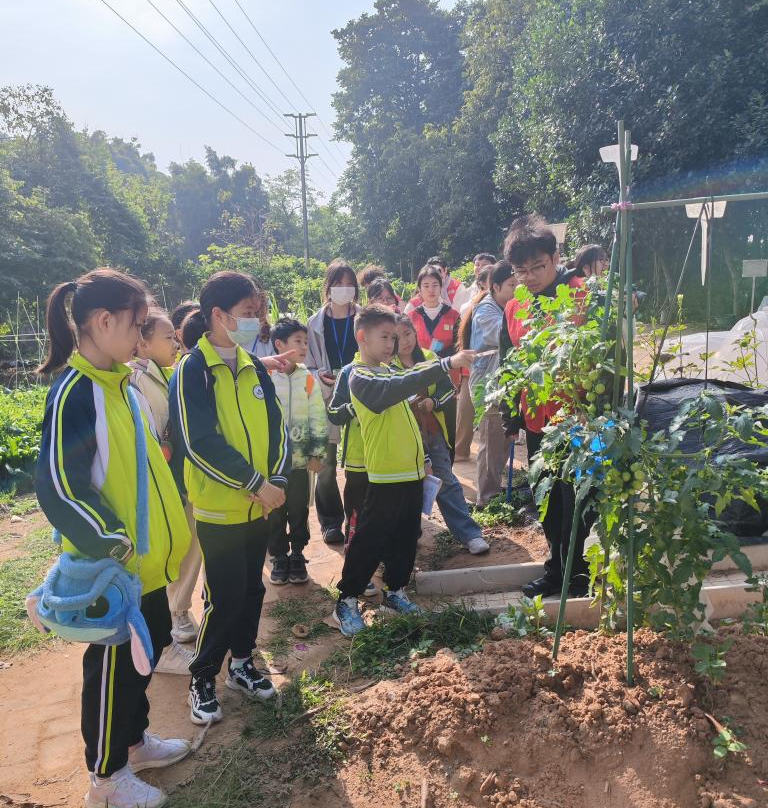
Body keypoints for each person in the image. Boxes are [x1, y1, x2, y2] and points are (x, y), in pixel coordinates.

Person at [35, 268, 191, 808]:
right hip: (113, 570)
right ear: (104, 322)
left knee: (141, 664)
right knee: (109, 672)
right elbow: (59, 485)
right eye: (138, 323)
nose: (143, 332)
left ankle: (132, 742)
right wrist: (113, 541)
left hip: (145, 566)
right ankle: (105, 779)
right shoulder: (75, 393)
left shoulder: (122, 386)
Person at [170, 271, 290, 725]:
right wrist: (254, 483)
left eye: (258, 313)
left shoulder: (253, 365)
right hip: (221, 508)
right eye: (247, 313)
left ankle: (242, 664)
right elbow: (198, 441)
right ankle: (202, 676)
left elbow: (277, 427)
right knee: (224, 595)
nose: (256, 321)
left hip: (260, 503)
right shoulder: (192, 370)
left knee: (252, 588)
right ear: (217, 315)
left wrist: (274, 478)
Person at [331, 305, 477, 636]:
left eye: (394, 338)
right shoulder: (360, 376)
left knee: (406, 537)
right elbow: (392, 392)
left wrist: (424, 457)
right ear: (361, 337)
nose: (390, 345)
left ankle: (396, 591)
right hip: (383, 475)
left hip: (411, 473)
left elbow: (410, 420)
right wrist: (444, 364)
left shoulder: (389, 372)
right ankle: (347, 599)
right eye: (384, 337)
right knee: (370, 538)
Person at [500, 215, 594, 599]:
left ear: (557, 257)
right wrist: (511, 416)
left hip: (579, 421)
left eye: (538, 267)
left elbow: (605, 360)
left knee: (580, 499)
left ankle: (584, 572)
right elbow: (512, 367)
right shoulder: (514, 308)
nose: (531, 277)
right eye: (521, 271)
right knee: (548, 499)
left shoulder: (582, 295)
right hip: (538, 422)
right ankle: (557, 569)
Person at [129, 308, 202, 674]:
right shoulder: (136, 380)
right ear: (142, 343)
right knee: (170, 548)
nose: (175, 343)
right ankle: (172, 622)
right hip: (160, 482)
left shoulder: (168, 373)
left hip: (178, 476)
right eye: (167, 338)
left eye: (175, 338)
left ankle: (179, 611)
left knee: (188, 543)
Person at [394, 316, 489, 555]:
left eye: (407, 334)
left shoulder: (429, 358)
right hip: (403, 437)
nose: (404, 341)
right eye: (396, 337)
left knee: (444, 479)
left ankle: (470, 534)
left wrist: (432, 402)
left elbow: (449, 391)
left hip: (432, 432)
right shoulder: (388, 365)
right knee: (406, 486)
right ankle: (407, 534)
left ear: (415, 333)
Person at [267, 318, 327, 586]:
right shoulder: (265, 377)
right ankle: (279, 556)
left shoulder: (308, 378)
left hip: (301, 462)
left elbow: (317, 416)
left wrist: (317, 453)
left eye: (305, 341)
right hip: (272, 465)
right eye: (297, 341)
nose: (304, 346)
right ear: (279, 345)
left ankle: (298, 554)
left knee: (298, 509)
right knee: (275, 512)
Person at [305, 260, 361, 545]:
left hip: (359, 395)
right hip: (325, 397)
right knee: (325, 463)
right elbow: (306, 362)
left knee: (360, 462)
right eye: (338, 284)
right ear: (328, 287)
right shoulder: (315, 324)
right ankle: (330, 521)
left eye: (348, 283)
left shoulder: (364, 318)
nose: (343, 289)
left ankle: (358, 518)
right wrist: (319, 374)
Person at [464, 261, 518, 507]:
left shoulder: (501, 306)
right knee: (492, 438)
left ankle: (493, 489)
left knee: (504, 437)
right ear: (496, 286)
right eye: (512, 284)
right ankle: (486, 498)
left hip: (502, 383)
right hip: (488, 385)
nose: (517, 289)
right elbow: (506, 334)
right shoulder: (487, 311)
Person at [407, 264, 462, 456]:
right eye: (426, 285)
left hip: (447, 380)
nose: (431, 290)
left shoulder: (454, 315)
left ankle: (449, 468)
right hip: (419, 381)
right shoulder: (411, 316)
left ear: (441, 287)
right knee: (422, 426)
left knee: (448, 427)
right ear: (419, 289)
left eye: (435, 285)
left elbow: (459, 347)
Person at [455, 264, 493, 459]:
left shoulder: (479, 305)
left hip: (475, 365)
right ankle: (460, 450)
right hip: (476, 366)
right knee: (470, 411)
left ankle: (461, 450)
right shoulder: (480, 306)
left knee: (470, 411)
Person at [404, 255, 471, 314]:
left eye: (439, 271)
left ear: (445, 270)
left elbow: (459, 313)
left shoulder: (457, 287)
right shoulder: (420, 295)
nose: (431, 290)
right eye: (432, 272)